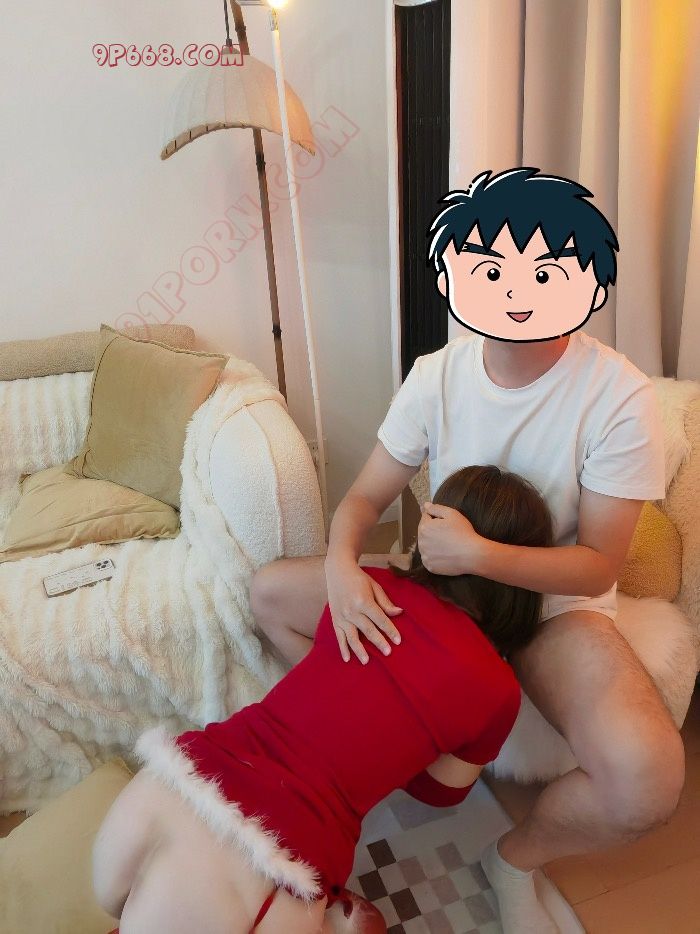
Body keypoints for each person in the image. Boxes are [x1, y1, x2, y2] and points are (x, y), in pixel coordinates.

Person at [251, 168, 684, 934]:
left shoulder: (619, 395)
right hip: (443, 590)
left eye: (543, 273)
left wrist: (478, 555)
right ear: (457, 276)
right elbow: (362, 501)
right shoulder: (438, 376)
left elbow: (597, 563)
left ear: (584, 279)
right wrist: (344, 570)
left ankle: (512, 859)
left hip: (554, 610)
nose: (516, 293)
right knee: (271, 595)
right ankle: (394, 751)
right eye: (491, 270)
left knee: (647, 781)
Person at [92, 465, 552, 934]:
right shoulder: (498, 690)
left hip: (174, 783)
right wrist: (400, 738)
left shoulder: (367, 589)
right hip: (277, 867)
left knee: (123, 905)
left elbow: (286, 608)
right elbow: (443, 792)